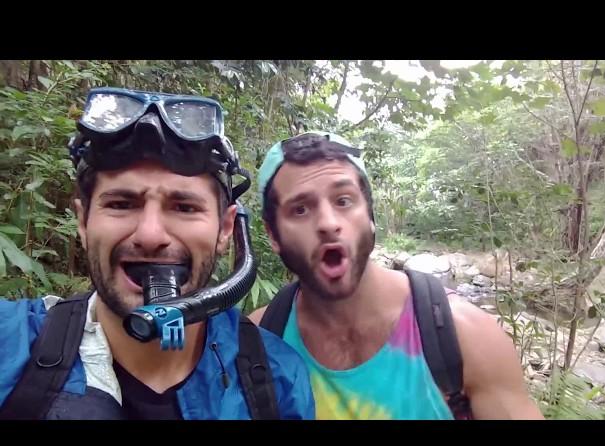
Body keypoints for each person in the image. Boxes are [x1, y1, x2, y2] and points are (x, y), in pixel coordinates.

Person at [0, 87, 314, 420]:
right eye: (121, 204)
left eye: (184, 207)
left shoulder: (279, 380)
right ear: (83, 222)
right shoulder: (9, 342)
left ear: (225, 229)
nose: (150, 235)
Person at [249, 131, 544, 420]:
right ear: (273, 234)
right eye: (300, 209)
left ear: (370, 214)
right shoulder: (257, 343)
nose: (328, 223)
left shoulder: (466, 334)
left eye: (343, 201)